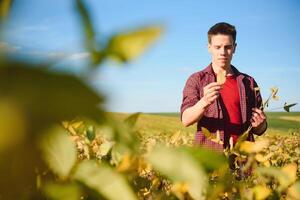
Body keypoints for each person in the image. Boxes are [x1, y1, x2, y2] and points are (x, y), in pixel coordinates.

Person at [180, 22, 267, 152]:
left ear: (235, 48)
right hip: (210, 158)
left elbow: (259, 129)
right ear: (209, 47)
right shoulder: (196, 79)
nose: (223, 52)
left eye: (227, 47)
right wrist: (204, 102)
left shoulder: (249, 82)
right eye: (217, 47)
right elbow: (186, 120)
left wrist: (261, 125)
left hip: (243, 159)